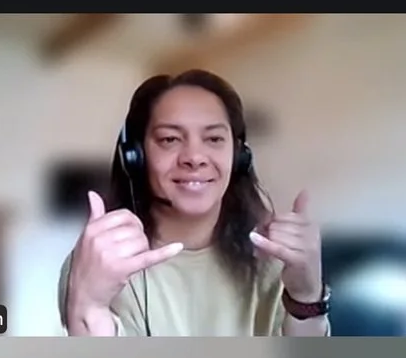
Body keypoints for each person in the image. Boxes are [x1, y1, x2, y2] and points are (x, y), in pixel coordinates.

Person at [59, 69, 334, 337]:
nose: (194, 157)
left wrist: (306, 296)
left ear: (239, 156)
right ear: (135, 156)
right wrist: (89, 306)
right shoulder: (100, 260)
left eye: (214, 139)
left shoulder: (274, 261)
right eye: (170, 139)